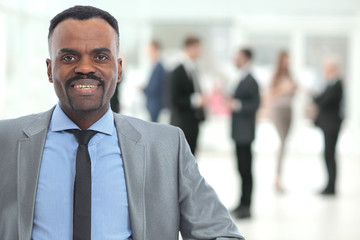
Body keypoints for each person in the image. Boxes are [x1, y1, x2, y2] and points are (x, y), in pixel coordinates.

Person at [0, 6, 244, 240]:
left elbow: (221, 233)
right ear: (50, 69)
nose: (85, 68)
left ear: (118, 68)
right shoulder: (6, 141)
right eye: (69, 57)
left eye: (100, 56)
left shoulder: (167, 147)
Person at [228, 48, 260, 219]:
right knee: (241, 168)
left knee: (246, 169)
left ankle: (247, 206)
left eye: (238, 57)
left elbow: (255, 104)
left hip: (245, 132)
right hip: (239, 132)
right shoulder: (240, 77)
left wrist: (237, 104)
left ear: (246, 58)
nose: (235, 60)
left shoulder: (251, 80)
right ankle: (241, 203)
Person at [169, 36, 206, 156]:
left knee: (192, 159)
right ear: (188, 48)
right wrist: (196, 100)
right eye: (197, 48)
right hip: (182, 123)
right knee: (182, 160)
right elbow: (172, 99)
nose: (200, 51)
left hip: (194, 121)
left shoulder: (195, 69)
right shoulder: (177, 71)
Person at [313, 58, 343, 196]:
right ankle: (329, 185)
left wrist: (318, 97)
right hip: (327, 124)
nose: (324, 70)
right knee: (327, 155)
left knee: (330, 155)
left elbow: (325, 101)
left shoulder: (337, 84)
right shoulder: (329, 84)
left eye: (326, 67)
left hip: (332, 125)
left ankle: (331, 187)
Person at [268, 51, 296, 192]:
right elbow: (269, 94)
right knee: (282, 141)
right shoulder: (275, 76)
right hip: (278, 110)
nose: (287, 62)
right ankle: (277, 178)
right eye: (285, 59)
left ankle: (279, 176)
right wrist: (282, 88)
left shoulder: (290, 76)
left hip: (288, 110)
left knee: (285, 142)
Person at [143, 40, 167, 122]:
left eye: (150, 50)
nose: (149, 53)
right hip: (153, 104)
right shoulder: (153, 66)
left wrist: (144, 89)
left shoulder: (159, 68)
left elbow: (154, 88)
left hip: (156, 105)